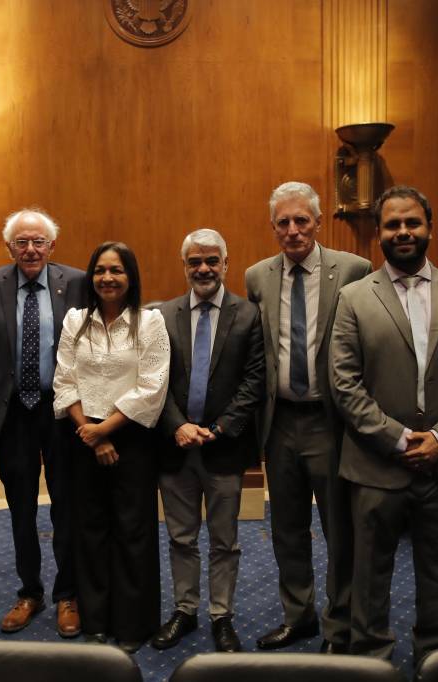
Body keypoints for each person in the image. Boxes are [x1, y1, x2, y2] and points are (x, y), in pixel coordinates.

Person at [329, 185, 438, 662]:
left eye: (412, 223)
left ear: (429, 228)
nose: (403, 232)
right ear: (378, 234)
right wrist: (398, 439)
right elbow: (344, 384)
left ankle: (435, 661)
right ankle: (371, 663)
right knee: (368, 577)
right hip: (376, 465)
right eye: (392, 224)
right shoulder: (353, 298)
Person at [245, 181, 372, 653]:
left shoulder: (355, 270)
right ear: (273, 227)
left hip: (331, 422)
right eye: (284, 222)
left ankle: (340, 625)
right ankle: (298, 617)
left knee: (340, 529)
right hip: (279, 424)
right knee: (287, 527)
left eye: (302, 220)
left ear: (318, 222)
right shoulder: (257, 276)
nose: (293, 230)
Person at [0, 208, 84, 637]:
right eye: (22, 242)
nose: (31, 249)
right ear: (9, 247)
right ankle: (30, 591)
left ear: (52, 246)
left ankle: (67, 593)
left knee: (66, 505)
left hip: (63, 411)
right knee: (20, 507)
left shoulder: (75, 281)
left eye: (39, 242)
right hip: (12, 412)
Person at [53, 241, 170, 653]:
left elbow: (152, 387)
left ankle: (133, 623)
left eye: (116, 270)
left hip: (132, 439)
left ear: (130, 276)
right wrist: (90, 431)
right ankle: (97, 620)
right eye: (100, 270)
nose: (107, 278)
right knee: (90, 530)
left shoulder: (150, 322)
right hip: (83, 437)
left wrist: (106, 431)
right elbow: (65, 381)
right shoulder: (74, 321)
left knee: (133, 531)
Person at [151, 229, 265, 653]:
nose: (203, 268)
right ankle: (185, 609)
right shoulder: (162, 315)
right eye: (195, 261)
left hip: (224, 447)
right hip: (175, 446)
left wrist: (218, 429)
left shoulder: (249, 315)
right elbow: (153, 381)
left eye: (212, 260)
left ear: (226, 264)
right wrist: (177, 425)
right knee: (181, 537)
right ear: (184, 266)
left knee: (224, 540)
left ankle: (221, 616)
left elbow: (255, 382)